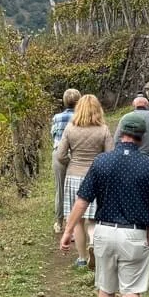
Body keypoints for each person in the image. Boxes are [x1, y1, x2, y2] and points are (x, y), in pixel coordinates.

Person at [60, 111, 149, 297]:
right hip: (134, 233)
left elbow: (83, 200)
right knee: (131, 290)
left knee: (106, 288)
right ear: (141, 138)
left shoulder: (102, 162)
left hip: (105, 231)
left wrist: (68, 231)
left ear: (120, 134)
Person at [54, 94, 112, 269]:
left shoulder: (70, 128)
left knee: (78, 220)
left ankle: (81, 258)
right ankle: (93, 242)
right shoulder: (103, 130)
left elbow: (60, 155)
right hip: (97, 177)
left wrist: (71, 162)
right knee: (93, 219)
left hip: (74, 175)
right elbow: (110, 156)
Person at [50, 88, 81, 234]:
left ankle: (59, 222)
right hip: (76, 155)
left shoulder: (57, 117)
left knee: (60, 189)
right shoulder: (81, 118)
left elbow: (53, 135)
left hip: (59, 154)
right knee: (77, 189)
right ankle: (75, 224)